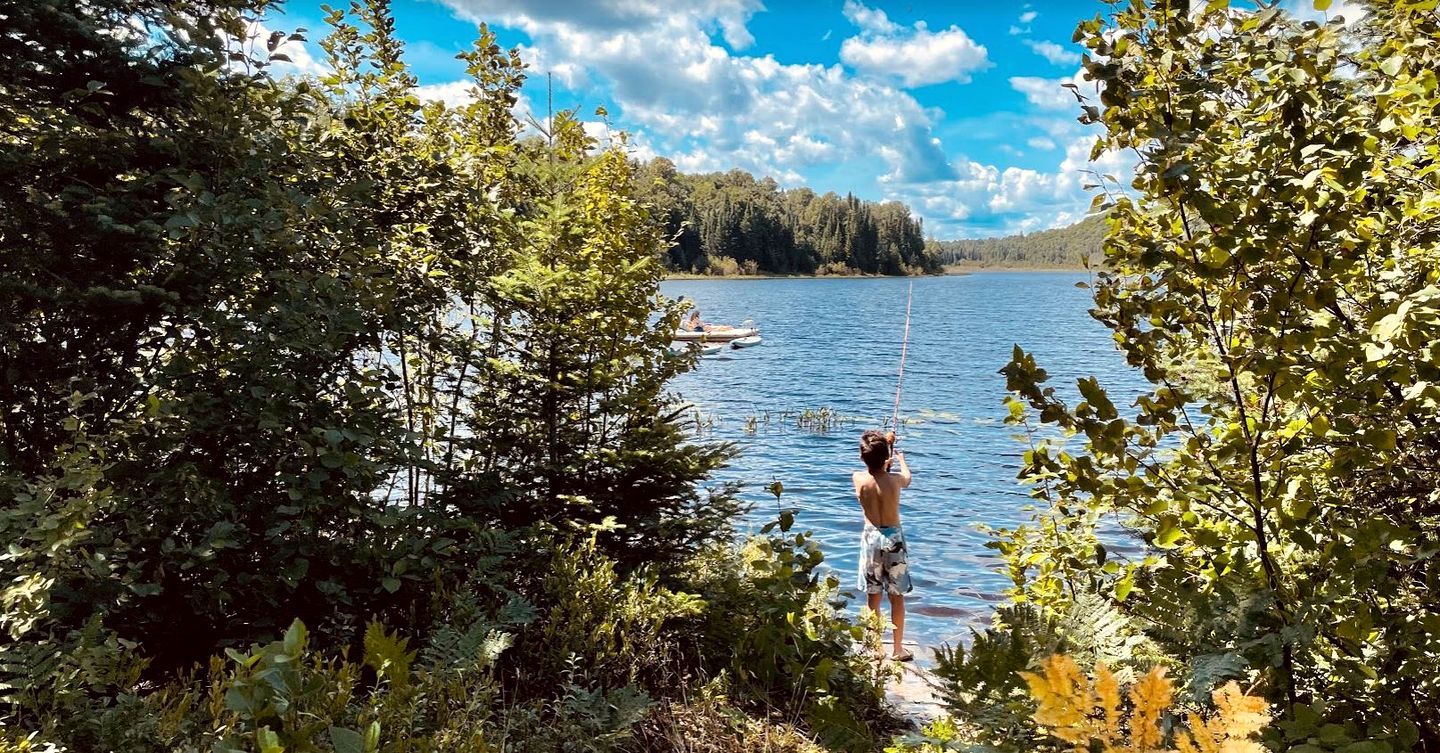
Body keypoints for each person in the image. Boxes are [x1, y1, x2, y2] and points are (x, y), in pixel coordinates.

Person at [853, 429, 914, 661]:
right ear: (885, 458)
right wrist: (900, 459)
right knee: (896, 596)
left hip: (870, 538)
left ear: (862, 458)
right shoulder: (895, 480)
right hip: (893, 540)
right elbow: (906, 478)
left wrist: (884, 452)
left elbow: (875, 474)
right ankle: (897, 650)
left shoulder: (858, 479)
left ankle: (875, 648)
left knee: (873, 596)